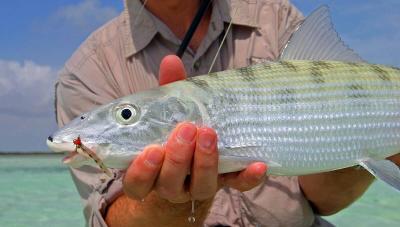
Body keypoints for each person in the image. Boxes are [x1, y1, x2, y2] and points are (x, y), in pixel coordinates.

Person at [55, 0, 400, 226]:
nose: (125, 119)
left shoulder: (276, 17)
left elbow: (323, 201)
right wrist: (170, 202)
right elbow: (110, 219)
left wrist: (371, 137)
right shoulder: (88, 71)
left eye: (127, 115)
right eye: (126, 115)